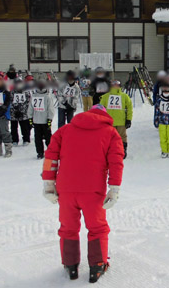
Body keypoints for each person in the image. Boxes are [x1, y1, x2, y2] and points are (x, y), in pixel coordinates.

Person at [42, 104, 124, 283]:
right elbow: (116, 162)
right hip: (93, 190)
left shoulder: (64, 130)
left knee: (68, 227)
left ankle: (70, 265)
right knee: (97, 227)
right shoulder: (110, 133)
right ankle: (97, 265)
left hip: (66, 189)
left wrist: (49, 183)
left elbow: (50, 157)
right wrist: (114, 188)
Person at [100, 80, 133, 158]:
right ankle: (112, 151)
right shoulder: (106, 96)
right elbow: (100, 109)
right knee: (110, 137)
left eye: (117, 85)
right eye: (114, 85)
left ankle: (122, 150)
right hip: (110, 122)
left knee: (121, 136)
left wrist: (129, 119)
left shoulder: (124, 96)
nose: (115, 86)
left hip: (120, 121)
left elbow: (129, 108)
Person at [28, 79, 55, 159]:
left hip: (43, 121)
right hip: (38, 121)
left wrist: (49, 119)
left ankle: (50, 151)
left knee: (46, 137)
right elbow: (31, 108)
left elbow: (50, 109)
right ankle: (41, 152)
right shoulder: (35, 96)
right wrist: (30, 117)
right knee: (39, 138)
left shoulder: (47, 96)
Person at [10, 77, 31, 146]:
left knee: (25, 127)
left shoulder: (26, 92)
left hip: (24, 113)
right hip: (14, 114)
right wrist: (14, 111)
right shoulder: (12, 92)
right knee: (13, 128)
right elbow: (10, 102)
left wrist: (23, 111)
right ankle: (14, 140)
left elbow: (28, 103)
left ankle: (26, 139)